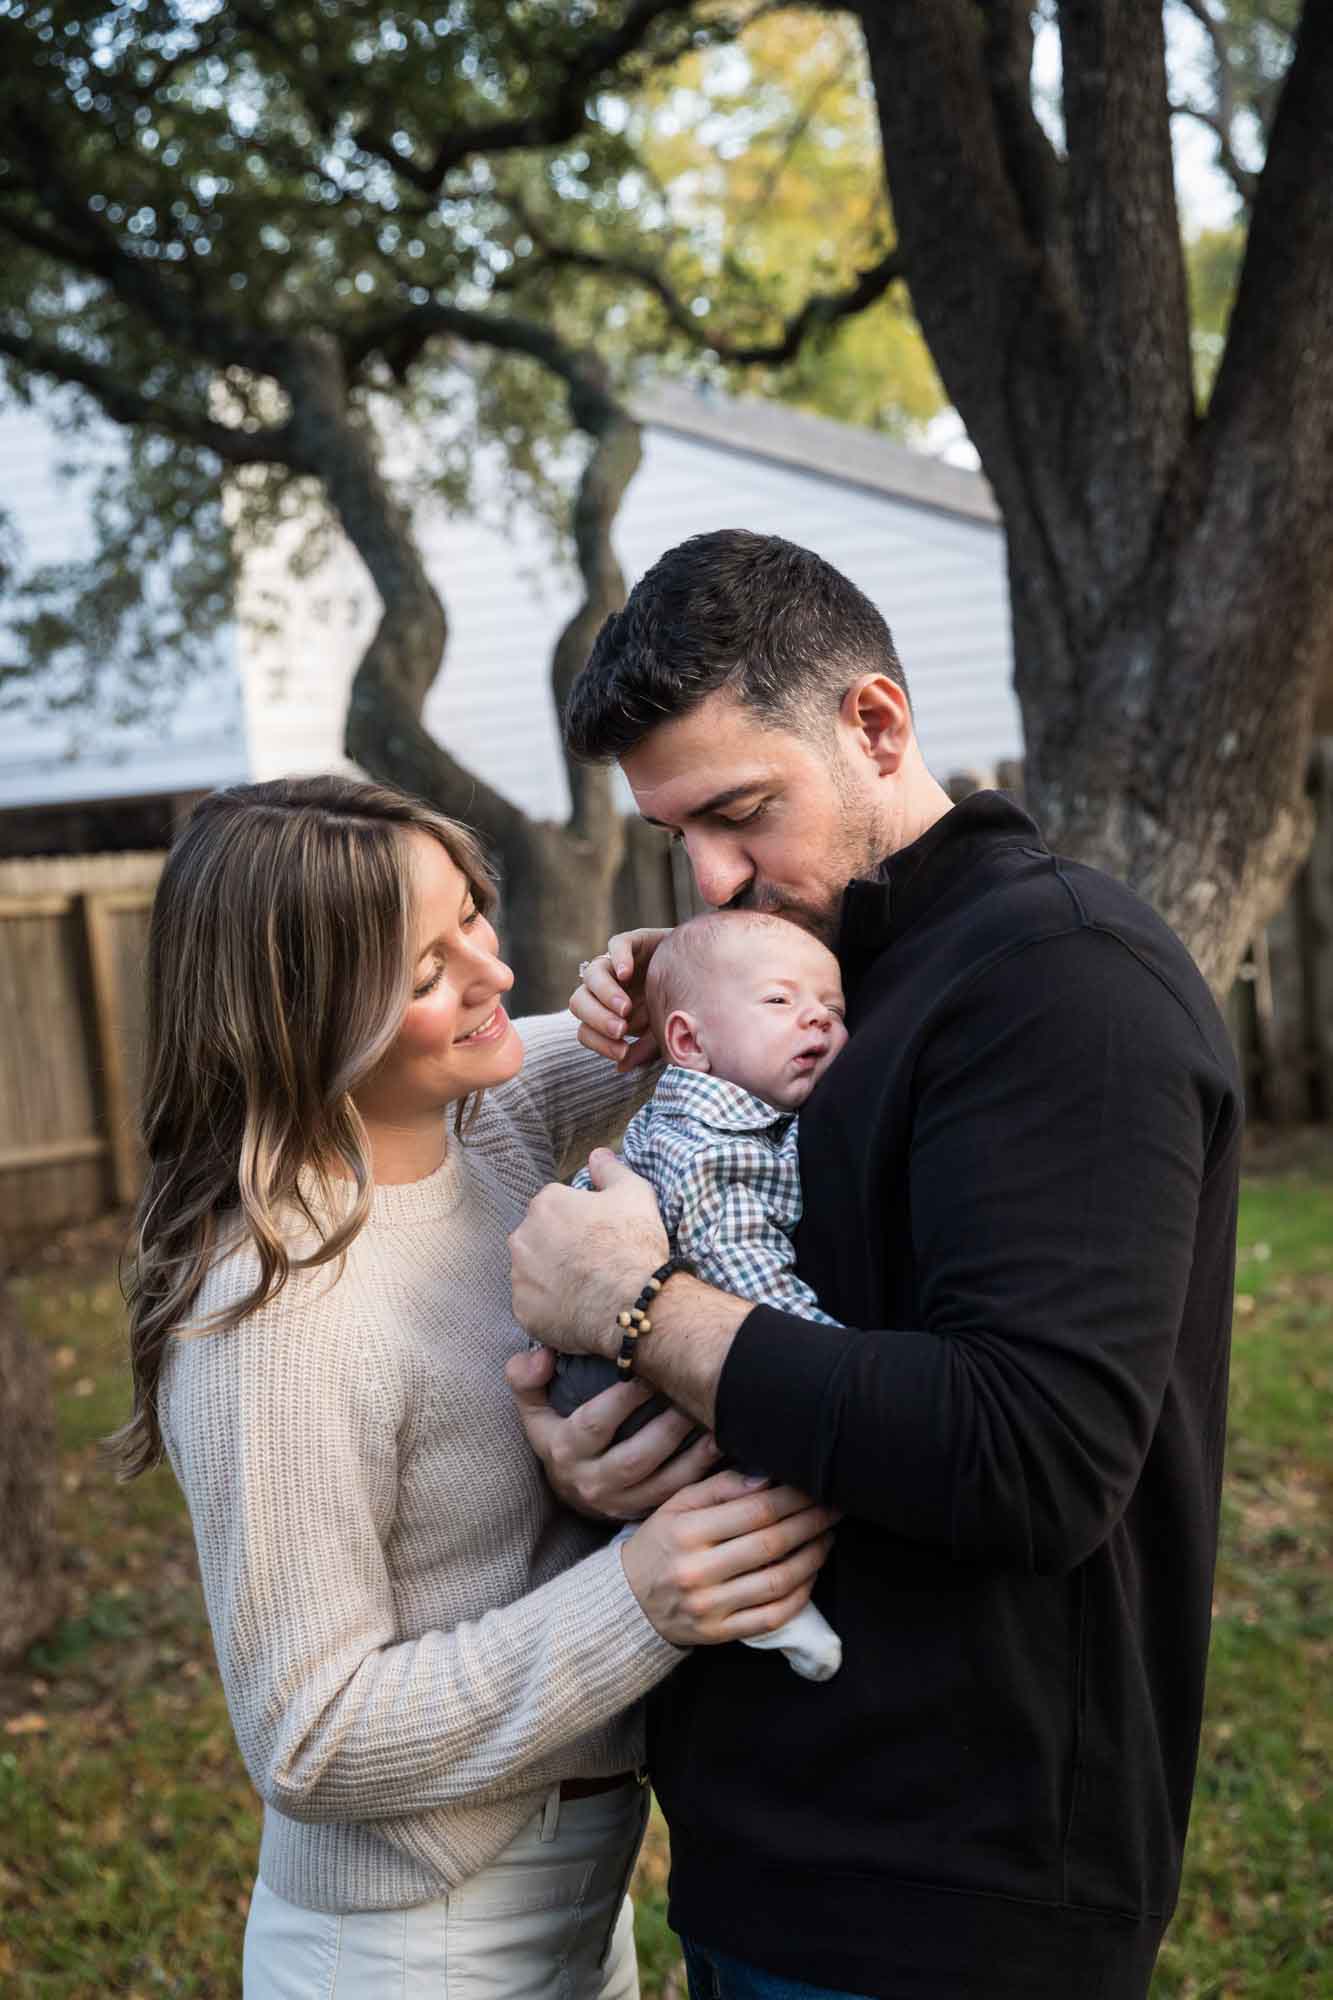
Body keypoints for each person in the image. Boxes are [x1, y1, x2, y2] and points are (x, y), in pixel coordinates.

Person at [506, 530, 1242, 2000]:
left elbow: (1033, 1452)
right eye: (679, 837)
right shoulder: (821, 972)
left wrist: (641, 1311)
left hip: (952, 1899)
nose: (715, 875)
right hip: (767, 1853)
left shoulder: (1061, 984)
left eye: (741, 811)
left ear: (877, 724)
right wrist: (600, 1463)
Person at [114, 773, 838, 2000]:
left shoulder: (480, 1114)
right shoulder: (273, 1305)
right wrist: (638, 1596)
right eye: (421, 971)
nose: (492, 974)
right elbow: (310, 1731)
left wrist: (650, 959)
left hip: (580, 1889)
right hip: (412, 1941)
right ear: (298, 1013)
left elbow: (674, 1020)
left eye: (475, 916)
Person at [551, 908, 848, 1682]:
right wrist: (838, 1366)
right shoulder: (722, 1144)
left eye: (833, 1009)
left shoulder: (706, 1100)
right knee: (764, 1454)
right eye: (779, 1003)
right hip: (608, 1372)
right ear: (686, 1042)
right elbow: (739, 1266)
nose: (815, 1016)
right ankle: (762, 1601)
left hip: (596, 1355)